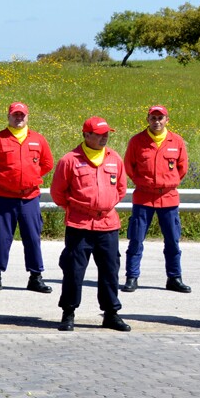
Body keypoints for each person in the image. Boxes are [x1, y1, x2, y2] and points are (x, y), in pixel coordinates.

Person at [51, 117, 130, 332]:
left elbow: (120, 189)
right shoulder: (70, 160)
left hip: (108, 224)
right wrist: (77, 209)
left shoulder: (115, 158)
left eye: (107, 133)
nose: (105, 137)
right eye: (99, 133)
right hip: (80, 224)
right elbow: (58, 193)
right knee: (74, 271)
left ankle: (111, 313)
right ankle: (68, 313)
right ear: (86, 135)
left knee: (110, 270)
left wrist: (105, 205)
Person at [0, 102, 54, 293]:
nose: (19, 118)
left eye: (22, 115)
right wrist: (2, 179)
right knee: (1, 238)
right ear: (8, 117)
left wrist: (31, 178)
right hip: (4, 198)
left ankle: (35, 277)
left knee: (33, 238)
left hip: (30, 197)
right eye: (15, 115)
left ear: (27, 117)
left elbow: (47, 163)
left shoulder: (38, 140)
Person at [121, 105, 191, 293]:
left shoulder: (176, 141)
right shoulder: (137, 141)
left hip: (168, 197)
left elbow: (182, 167)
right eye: (153, 118)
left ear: (167, 120)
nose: (157, 121)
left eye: (160, 118)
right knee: (136, 239)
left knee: (172, 240)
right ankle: (132, 276)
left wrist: (168, 182)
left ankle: (174, 277)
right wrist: (143, 182)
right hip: (143, 197)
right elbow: (129, 166)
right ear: (148, 119)